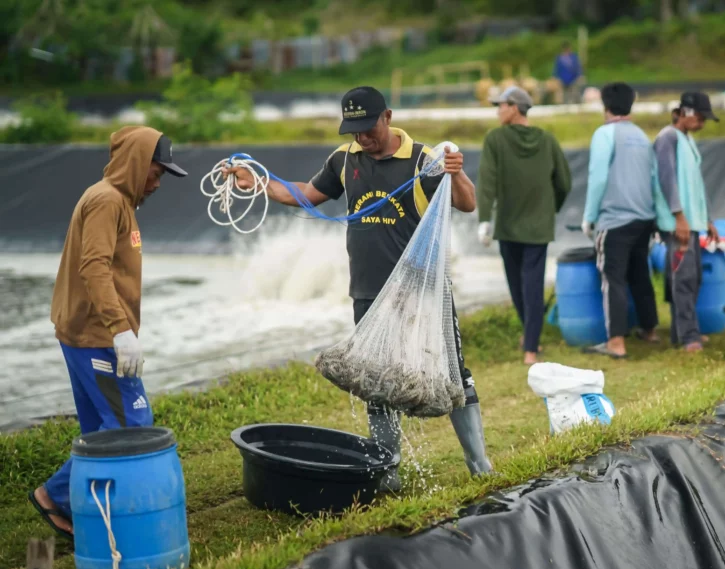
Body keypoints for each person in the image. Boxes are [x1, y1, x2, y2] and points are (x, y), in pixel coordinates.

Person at [225, 86, 492, 490]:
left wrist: (457, 171)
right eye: (354, 131)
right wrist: (259, 182)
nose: (362, 138)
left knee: (453, 374)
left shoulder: (423, 160)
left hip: (420, 291)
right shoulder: (343, 160)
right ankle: (389, 473)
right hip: (367, 291)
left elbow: (468, 204)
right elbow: (307, 195)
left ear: (386, 116)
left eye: (368, 128)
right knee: (376, 379)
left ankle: (480, 465)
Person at [30, 126, 188, 539]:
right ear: (137, 164)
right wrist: (120, 331)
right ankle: (54, 496)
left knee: (101, 427)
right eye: (156, 172)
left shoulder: (119, 201)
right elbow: (94, 267)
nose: (157, 183)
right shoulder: (105, 201)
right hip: (96, 335)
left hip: (84, 331)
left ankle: (91, 508)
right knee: (131, 426)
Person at [477, 86, 572, 365]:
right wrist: (549, 208)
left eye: (501, 105)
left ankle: (530, 344)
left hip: (507, 224)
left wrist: (484, 218)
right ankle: (531, 345)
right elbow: (564, 183)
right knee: (532, 285)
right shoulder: (547, 140)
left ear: (515, 107)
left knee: (517, 285)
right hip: (539, 227)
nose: (498, 110)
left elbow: (487, 182)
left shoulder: (495, 139)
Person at [581, 82, 675, 359]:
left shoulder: (605, 133)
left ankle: (616, 342)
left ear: (605, 106)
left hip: (615, 219)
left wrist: (589, 217)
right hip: (644, 219)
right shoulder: (641, 136)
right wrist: (658, 217)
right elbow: (655, 181)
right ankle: (649, 330)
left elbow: (597, 177)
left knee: (613, 279)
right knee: (639, 274)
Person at [654, 92, 721, 352]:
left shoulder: (686, 140)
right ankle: (688, 337)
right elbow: (666, 179)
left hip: (691, 221)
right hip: (677, 223)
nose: (702, 124)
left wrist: (708, 220)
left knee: (693, 279)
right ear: (687, 113)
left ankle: (682, 331)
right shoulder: (667, 138)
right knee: (683, 279)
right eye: (701, 118)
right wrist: (679, 217)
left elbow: (696, 184)